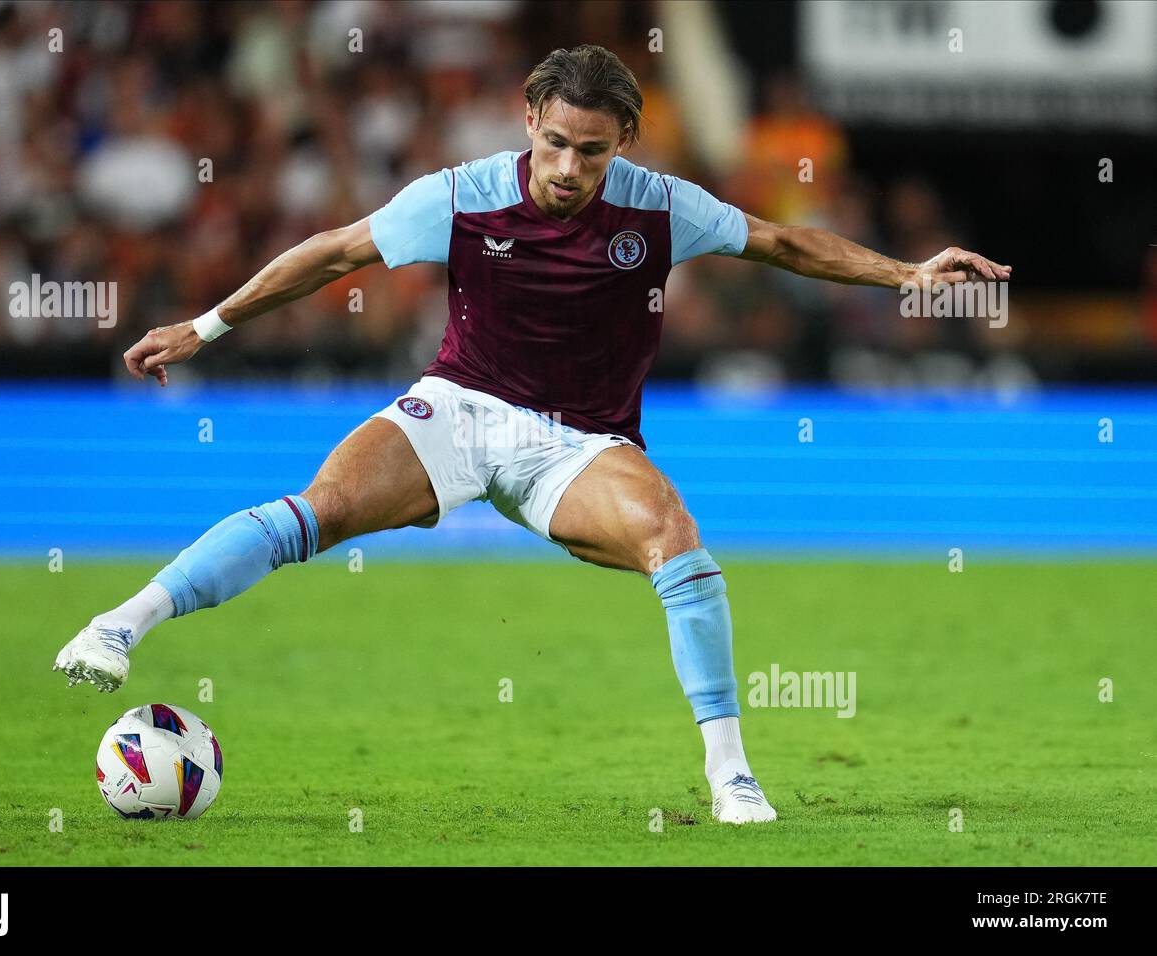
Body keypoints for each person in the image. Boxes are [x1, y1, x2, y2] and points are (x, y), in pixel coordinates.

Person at [54, 45, 1011, 824]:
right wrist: (207, 326)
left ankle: (731, 776)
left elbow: (783, 241)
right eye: (554, 144)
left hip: (581, 445)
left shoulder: (664, 206)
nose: (567, 169)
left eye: (591, 152)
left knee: (679, 545)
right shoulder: (462, 196)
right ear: (528, 123)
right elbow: (333, 252)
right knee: (320, 511)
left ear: (624, 141)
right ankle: (119, 624)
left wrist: (904, 275)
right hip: (459, 411)